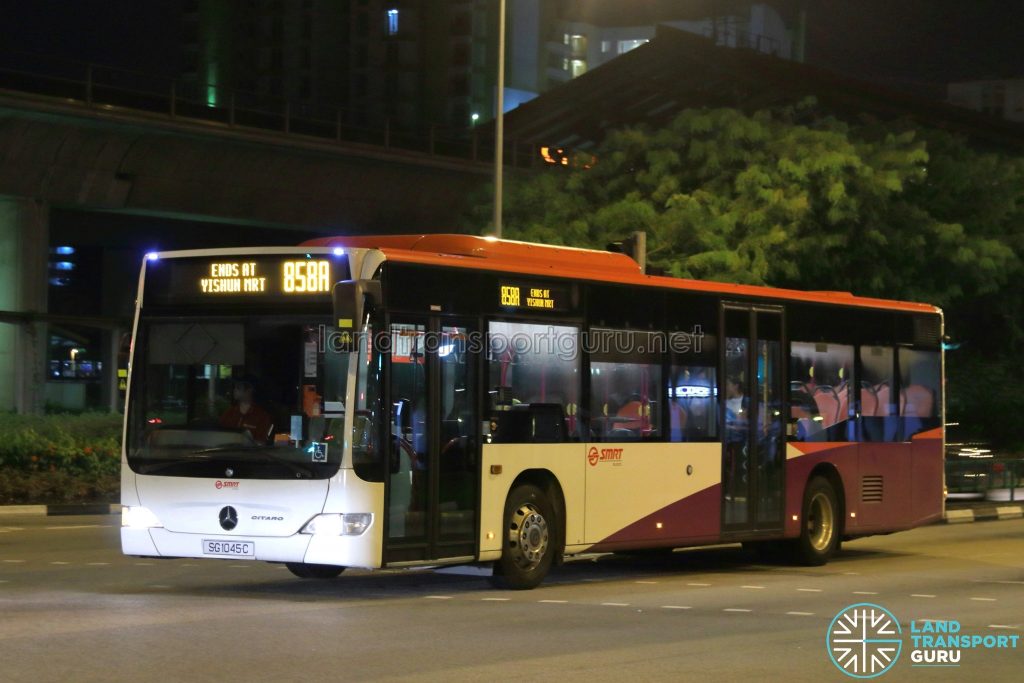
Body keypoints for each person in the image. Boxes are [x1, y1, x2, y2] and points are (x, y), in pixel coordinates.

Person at [219, 374, 273, 442]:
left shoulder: (261, 416)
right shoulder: (230, 413)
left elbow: (262, 442)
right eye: (234, 387)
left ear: (249, 390)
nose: (234, 390)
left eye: (238, 387)